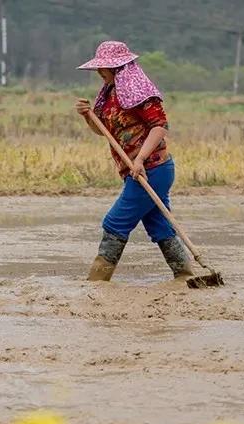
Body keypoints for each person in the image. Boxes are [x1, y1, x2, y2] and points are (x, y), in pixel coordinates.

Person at [75, 41, 194, 281]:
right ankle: (185, 277)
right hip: (136, 169)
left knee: (115, 222)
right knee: (159, 225)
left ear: (119, 68)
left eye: (105, 67)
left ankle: (96, 282)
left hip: (153, 169)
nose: (100, 72)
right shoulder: (109, 94)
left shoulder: (141, 93)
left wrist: (139, 159)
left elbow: (160, 127)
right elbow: (104, 131)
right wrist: (88, 116)